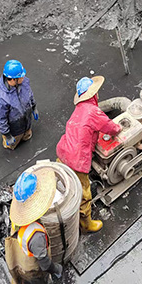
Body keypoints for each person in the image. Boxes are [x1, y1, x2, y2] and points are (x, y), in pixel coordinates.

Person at [55, 76, 123, 233]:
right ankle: (85, 223)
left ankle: (64, 203)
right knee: (84, 192)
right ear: (93, 95)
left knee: (64, 182)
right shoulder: (93, 111)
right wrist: (118, 129)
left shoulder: (78, 110)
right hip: (76, 159)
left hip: (63, 151)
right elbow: (109, 127)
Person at [5, 169, 63, 284]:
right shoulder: (36, 235)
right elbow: (44, 263)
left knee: (19, 281)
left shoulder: (17, 218)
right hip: (30, 268)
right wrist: (56, 269)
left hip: (18, 257)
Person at [0, 59, 38, 150]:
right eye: (21, 76)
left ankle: (25, 133)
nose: (24, 77)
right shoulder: (1, 98)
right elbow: (1, 119)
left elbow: (30, 95)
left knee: (27, 136)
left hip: (26, 121)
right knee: (12, 145)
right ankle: (8, 142)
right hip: (14, 128)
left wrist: (34, 107)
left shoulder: (24, 83)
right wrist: (7, 135)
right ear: (14, 79)